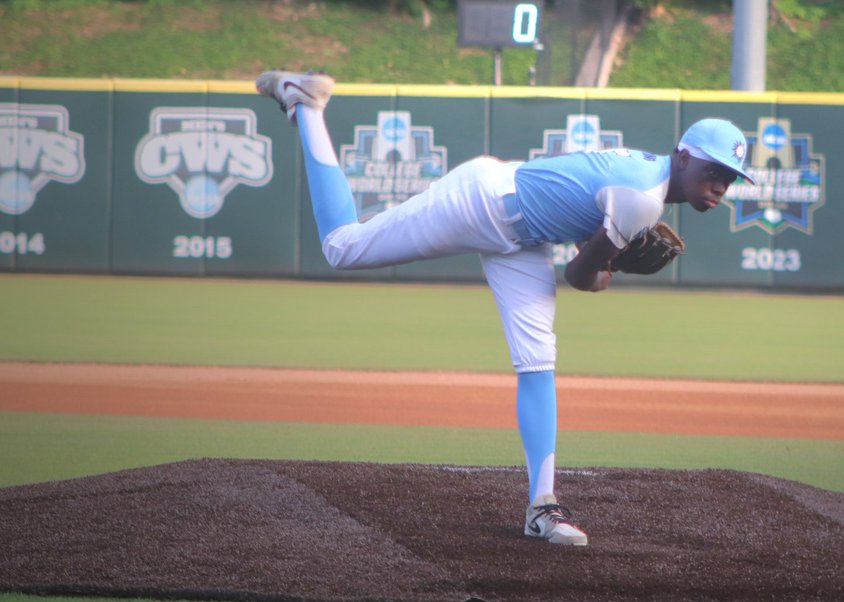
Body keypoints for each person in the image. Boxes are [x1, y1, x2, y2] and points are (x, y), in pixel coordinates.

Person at [256, 70, 754, 546]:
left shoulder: (646, 174)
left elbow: (574, 203)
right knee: (343, 248)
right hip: (480, 203)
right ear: (683, 157)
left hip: (525, 236)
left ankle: (542, 507)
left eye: (729, 178)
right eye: (713, 171)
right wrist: (610, 270)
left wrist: (602, 251)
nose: (719, 186)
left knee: (538, 358)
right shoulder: (642, 198)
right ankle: (307, 104)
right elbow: (579, 277)